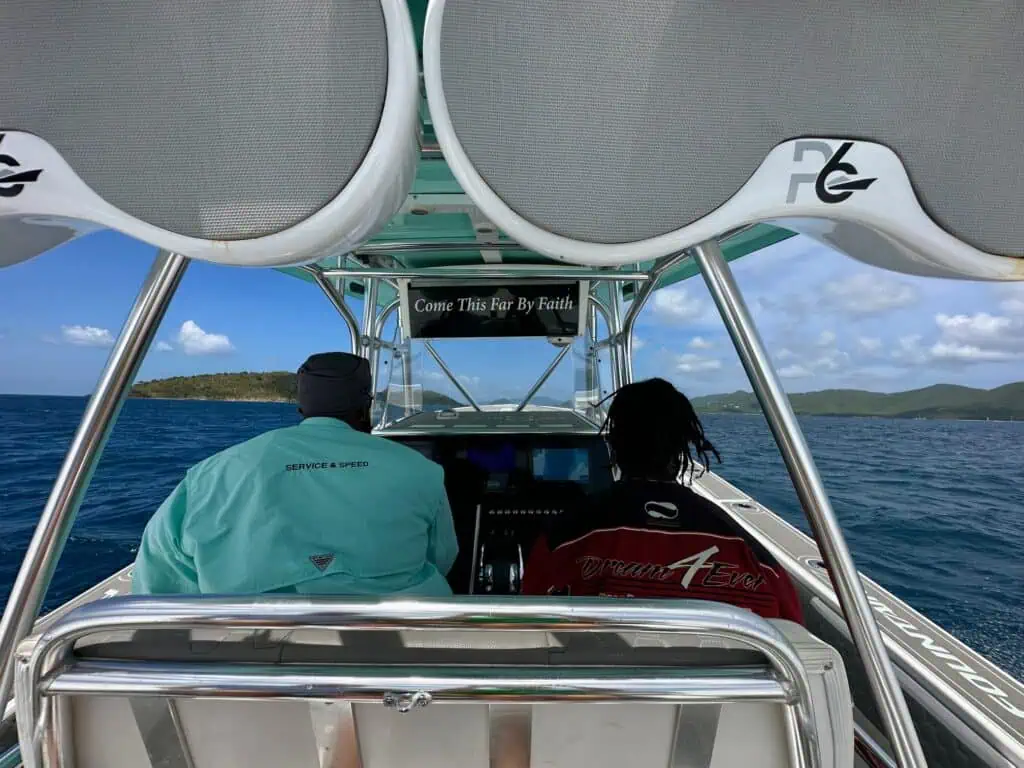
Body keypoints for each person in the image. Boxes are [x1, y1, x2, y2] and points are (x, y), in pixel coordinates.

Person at [133, 352, 458, 596]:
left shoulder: (211, 473)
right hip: (405, 642)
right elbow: (443, 556)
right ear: (367, 406)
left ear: (301, 406)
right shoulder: (420, 469)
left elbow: (161, 575)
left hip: (251, 652)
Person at [521, 378, 803, 623]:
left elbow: (530, 617)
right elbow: (792, 635)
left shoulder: (562, 539)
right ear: (682, 446)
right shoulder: (753, 558)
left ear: (614, 445)